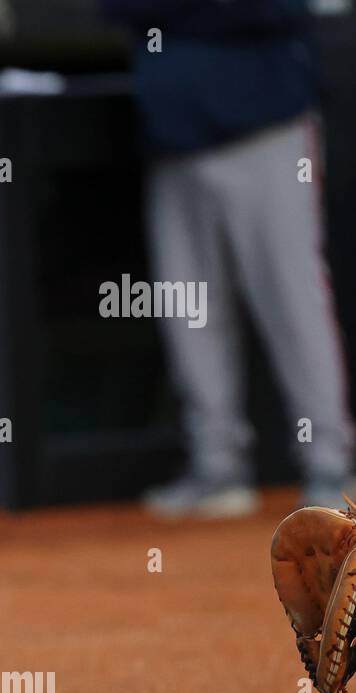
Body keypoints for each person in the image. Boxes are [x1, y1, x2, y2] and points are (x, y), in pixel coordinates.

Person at [101, 0, 355, 516]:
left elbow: (270, 10)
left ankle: (331, 461)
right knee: (189, 308)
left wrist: (172, 15)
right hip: (174, 137)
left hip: (267, 128)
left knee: (292, 299)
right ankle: (217, 466)